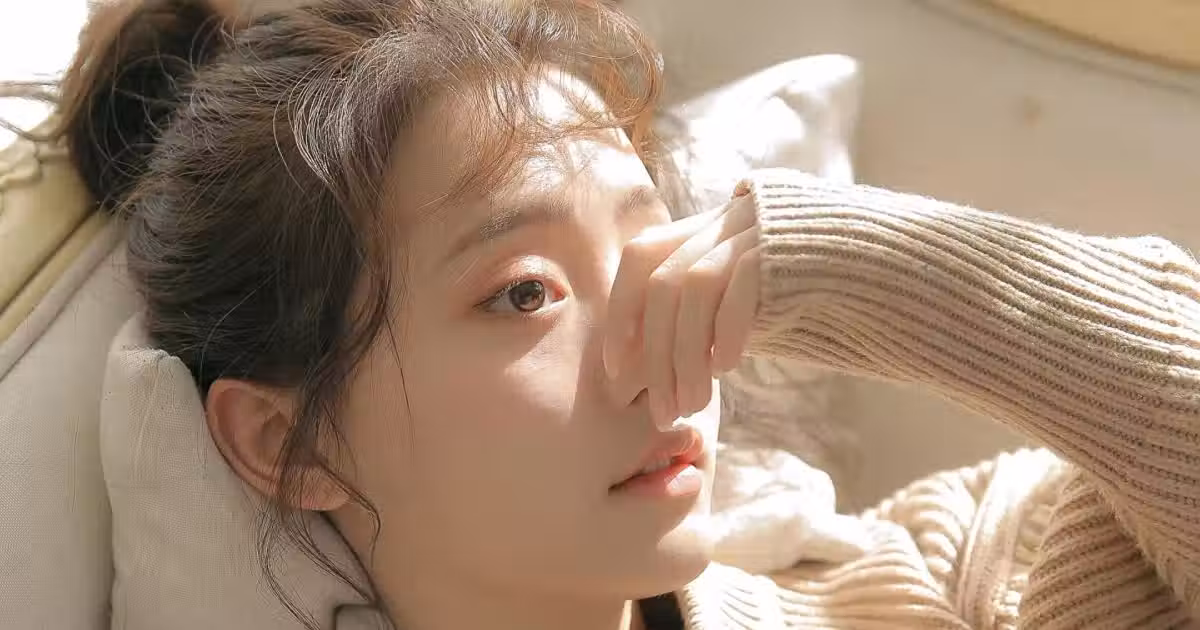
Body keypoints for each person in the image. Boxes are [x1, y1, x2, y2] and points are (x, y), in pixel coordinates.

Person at [43, 0, 1200, 628]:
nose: (662, 355)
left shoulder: (947, 569)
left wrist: (856, 267)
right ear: (285, 443)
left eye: (656, 247)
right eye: (525, 293)